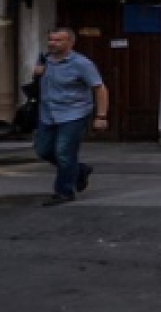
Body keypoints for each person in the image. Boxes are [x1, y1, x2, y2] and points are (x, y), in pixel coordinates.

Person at [33, 27, 108, 205]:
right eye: (51, 40)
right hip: (47, 113)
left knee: (64, 153)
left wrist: (101, 116)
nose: (52, 43)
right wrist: (37, 74)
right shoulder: (45, 60)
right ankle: (80, 171)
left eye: (58, 40)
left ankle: (64, 191)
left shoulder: (81, 63)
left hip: (73, 113)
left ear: (70, 43)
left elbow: (99, 88)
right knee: (43, 150)